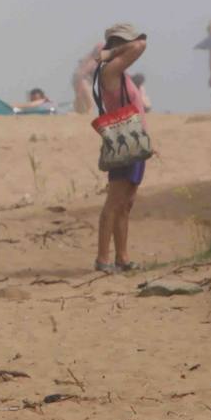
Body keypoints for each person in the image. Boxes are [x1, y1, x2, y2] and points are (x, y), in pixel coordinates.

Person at [94, 24, 148, 274]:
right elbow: (140, 45)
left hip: (136, 140)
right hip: (123, 140)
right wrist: (109, 54)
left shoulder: (121, 73)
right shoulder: (110, 71)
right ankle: (103, 258)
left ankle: (122, 257)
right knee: (114, 201)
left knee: (127, 202)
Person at [72, 43, 104, 114]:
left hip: (82, 81)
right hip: (83, 81)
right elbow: (81, 74)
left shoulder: (92, 60)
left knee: (83, 102)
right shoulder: (92, 61)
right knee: (90, 104)